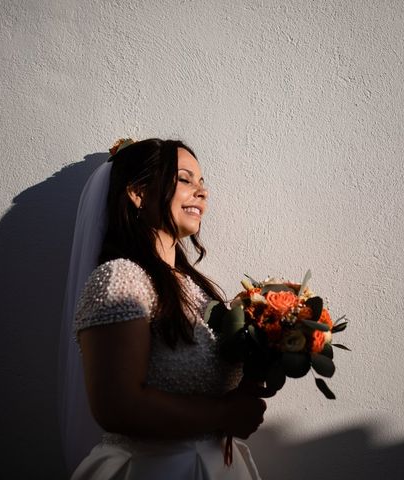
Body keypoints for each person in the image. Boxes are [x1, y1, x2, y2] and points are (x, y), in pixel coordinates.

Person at [59, 138, 266, 479]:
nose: (202, 192)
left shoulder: (196, 287)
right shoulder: (122, 279)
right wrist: (224, 415)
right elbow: (117, 406)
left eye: (202, 182)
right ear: (139, 193)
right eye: (185, 179)